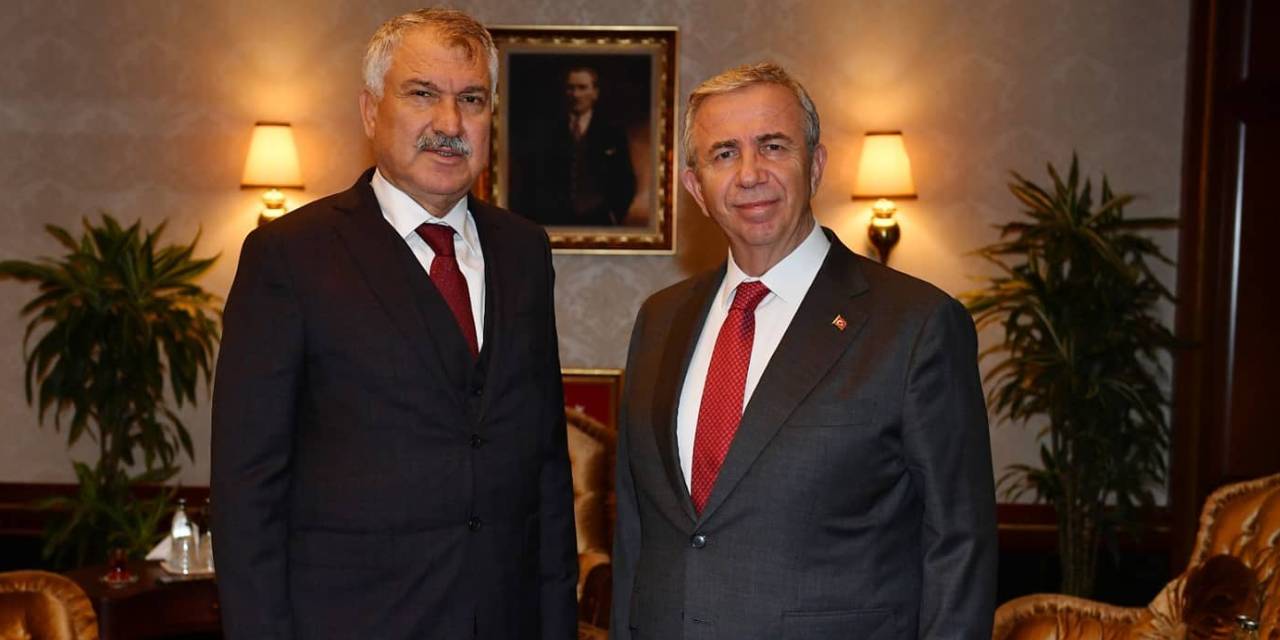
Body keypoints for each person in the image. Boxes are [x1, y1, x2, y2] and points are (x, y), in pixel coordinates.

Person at [210, 9, 577, 639]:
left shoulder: (524, 251)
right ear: (370, 110)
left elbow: (545, 465)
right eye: (422, 94)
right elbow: (248, 490)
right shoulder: (291, 255)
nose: (450, 124)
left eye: (471, 99)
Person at [611, 62, 997, 639]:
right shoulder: (660, 321)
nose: (750, 174)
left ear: (815, 165)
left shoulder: (915, 325)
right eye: (724, 154)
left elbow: (959, 544)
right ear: (696, 188)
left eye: (773, 146)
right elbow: (636, 531)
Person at [511, 66, 637, 226]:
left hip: (599, 221)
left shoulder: (612, 132)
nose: (576, 94)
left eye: (582, 88)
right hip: (554, 221)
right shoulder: (547, 132)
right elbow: (532, 178)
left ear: (595, 93)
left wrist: (614, 215)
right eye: (571, 88)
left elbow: (626, 181)